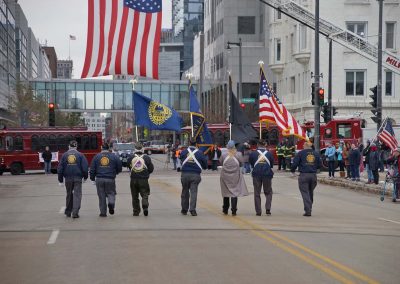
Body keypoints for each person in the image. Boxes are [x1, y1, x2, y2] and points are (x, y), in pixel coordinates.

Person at [57, 140, 89, 218]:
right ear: (76, 146)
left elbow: (60, 169)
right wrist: (85, 177)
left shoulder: (64, 155)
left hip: (68, 178)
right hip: (78, 178)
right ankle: (75, 212)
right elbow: (85, 168)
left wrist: (60, 180)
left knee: (69, 194)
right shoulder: (81, 155)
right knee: (77, 195)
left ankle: (68, 211)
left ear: (69, 146)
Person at [90, 143, 122, 217]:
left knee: (101, 196)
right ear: (108, 148)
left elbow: (92, 169)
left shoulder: (96, 157)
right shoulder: (114, 156)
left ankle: (103, 213)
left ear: (101, 148)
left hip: (99, 179)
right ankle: (111, 204)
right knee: (111, 193)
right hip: (110, 178)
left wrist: (92, 178)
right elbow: (119, 166)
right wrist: (116, 172)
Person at [291, 141, 321, 216]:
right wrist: (313, 167)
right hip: (313, 175)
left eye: (304, 145)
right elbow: (320, 165)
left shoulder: (301, 153)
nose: (303, 146)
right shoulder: (316, 153)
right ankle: (309, 207)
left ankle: (308, 210)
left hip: (304, 175)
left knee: (305, 193)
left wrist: (292, 170)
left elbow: (295, 163)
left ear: (306, 146)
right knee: (310, 192)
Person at [219, 140, 249, 216]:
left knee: (226, 192)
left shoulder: (223, 154)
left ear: (227, 146)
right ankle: (234, 210)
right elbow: (242, 163)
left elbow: (221, 162)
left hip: (225, 176)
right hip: (235, 175)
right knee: (234, 193)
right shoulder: (238, 154)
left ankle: (225, 209)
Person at [179, 138, 208, 216]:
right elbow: (205, 163)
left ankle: (184, 209)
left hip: (185, 174)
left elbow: (181, 160)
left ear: (189, 143)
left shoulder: (184, 152)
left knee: (185, 192)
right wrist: (204, 167)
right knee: (193, 192)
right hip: (195, 175)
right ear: (196, 144)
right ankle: (192, 210)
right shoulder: (200, 153)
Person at [127, 142, 154, 216]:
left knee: (134, 196)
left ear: (134, 149)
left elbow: (128, 166)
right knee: (145, 194)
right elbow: (151, 169)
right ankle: (145, 205)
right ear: (142, 148)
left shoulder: (131, 157)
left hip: (133, 179)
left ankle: (136, 211)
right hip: (143, 180)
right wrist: (146, 173)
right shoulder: (146, 158)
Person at [249, 140, 274, 216]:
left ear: (257, 145)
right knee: (268, 192)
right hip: (267, 174)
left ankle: (258, 211)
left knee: (257, 193)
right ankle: (268, 208)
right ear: (265, 145)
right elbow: (271, 164)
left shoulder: (253, 153)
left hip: (256, 174)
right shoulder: (269, 153)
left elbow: (251, 163)